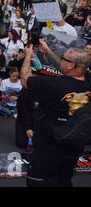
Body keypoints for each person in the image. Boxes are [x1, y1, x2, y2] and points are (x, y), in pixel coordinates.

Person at [21, 41, 91, 187]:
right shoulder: (87, 81)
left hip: (48, 148)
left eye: (63, 58)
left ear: (71, 65)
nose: (60, 60)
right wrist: (46, 50)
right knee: (63, 181)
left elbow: (25, 79)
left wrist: (28, 56)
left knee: (37, 182)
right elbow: (64, 65)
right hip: (74, 146)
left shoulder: (52, 84)